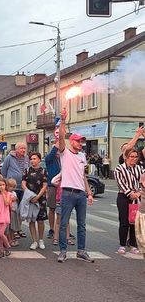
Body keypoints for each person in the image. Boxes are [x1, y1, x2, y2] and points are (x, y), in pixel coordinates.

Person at [57, 108, 95, 263]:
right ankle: (63, 251)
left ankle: (81, 251)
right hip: (67, 193)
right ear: (71, 141)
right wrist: (63, 120)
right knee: (64, 224)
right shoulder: (64, 152)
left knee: (82, 225)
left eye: (82, 141)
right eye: (78, 141)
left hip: (80, 195)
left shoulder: (82, 156)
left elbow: (83, 175)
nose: (81, 143)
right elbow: (60, 137)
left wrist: (89, 193)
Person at [114, 148, 144, 255]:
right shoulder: (119, 168)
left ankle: (133, 245)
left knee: (134, 222)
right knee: (124, 221)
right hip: (124, 196)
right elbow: (120, 183)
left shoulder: (140, 168)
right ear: (126, 157)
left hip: (138, 196)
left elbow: (143, 181)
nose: (134, 159)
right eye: (132, 157)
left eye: (136, 157)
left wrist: (139, 193)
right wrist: (130, 193)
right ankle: (122, 245)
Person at [1, 142, 29, 239]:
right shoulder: (10, 158)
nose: (23, 150)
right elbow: (4, 171)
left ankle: (18, 229)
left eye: (24, 148)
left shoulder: (26, 158)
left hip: (22, 187)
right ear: (16, 149)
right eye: (21, 148)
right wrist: (6, 184)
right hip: (12, 187)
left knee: (21, 209)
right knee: (13, 210)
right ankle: (12, 230)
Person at [21, 152, 48, 250]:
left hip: (41, 198)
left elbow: (45, 185)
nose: (32, 161)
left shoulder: (43, 171)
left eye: (34, 159)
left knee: (40, 220)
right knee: (31, 220)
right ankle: (34, 241)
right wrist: (30, 195)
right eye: (31, 159)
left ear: (39, 160)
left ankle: (41, 240)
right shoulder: (27, 170)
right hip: (30, 198)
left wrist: (38, 196)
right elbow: (23, 184)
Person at [45, 132, 61, 242]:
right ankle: (51, 229)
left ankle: (62, 229)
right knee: (52, 208)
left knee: (62, 209)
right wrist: (58, 141)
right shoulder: (50, 159)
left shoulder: (64, 159)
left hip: (63, 186)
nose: (59, 152)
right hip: (52, 186)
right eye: (57, 150)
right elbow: (52, 153)